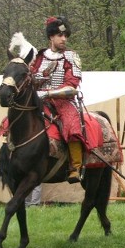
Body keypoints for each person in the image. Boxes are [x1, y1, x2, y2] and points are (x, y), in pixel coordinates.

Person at [30, 16, 84, 184]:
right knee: (13, 120)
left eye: (66, 36)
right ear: (51, 37)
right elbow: (30, 77)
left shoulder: (71, 56)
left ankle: (75, 167)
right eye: (60, 35)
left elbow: (72, 86)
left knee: (72, 124)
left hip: (62, 102)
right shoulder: (38, 57)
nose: (64, 39)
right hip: (38, 101)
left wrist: (47, 94)